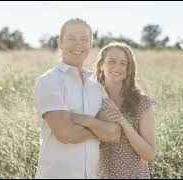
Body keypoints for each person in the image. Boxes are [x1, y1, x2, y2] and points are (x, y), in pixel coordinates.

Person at [33, 18, 121, 179]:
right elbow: (66, 134)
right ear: (60, 43)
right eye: (71, 38)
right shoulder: (49, 81)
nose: (78, 44)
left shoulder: (97, 84)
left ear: (91, 44)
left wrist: (87, 121)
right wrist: (101, 130)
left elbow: (114, 133)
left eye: (84, 39)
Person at [94, 41, 156, 179]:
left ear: (128, 70)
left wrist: (121, 120)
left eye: (123, 63)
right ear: (101, 65)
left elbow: (149, 154)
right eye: (112, 61)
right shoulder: (91, 99)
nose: (117, 67)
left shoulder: (141, 102)